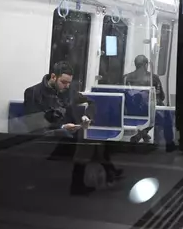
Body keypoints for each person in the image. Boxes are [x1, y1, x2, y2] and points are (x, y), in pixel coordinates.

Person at [24, 62, 120, 195]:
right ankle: (95, 176)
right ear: (53, 77)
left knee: (90, 142)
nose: (67, 86)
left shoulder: (68, 91)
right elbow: (34, 122)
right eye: (64, 82)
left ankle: (89, 179)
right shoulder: (33, 93)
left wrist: (87, 116)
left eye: (69, 83)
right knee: (88, 144)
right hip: (45, 134)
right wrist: (62, 127)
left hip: (67, 133)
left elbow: (91, 102)